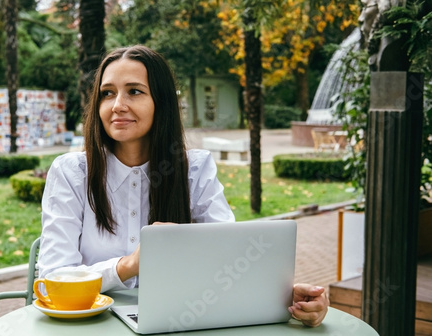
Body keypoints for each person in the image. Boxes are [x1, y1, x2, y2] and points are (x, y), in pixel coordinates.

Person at [38, 45, 328, 327]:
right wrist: (127, 265)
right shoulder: (72, 173)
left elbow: (231, 257)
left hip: (178, 323)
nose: (117, 105)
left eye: (134, 91)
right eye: (107, 93)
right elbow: (52, 280)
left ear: (161, 102)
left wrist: (286, 296)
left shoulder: (195, 169)